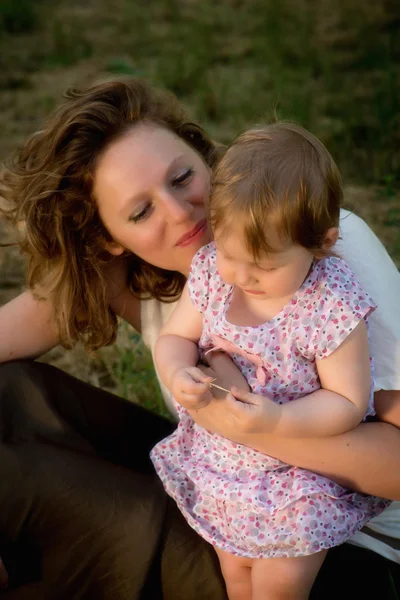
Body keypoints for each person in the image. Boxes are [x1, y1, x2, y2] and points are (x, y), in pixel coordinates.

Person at [0, 78, 399, 599]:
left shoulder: (325, 251)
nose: (180, 213)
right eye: (140, 212)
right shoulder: (160, 277)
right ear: (108, 240)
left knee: (15, 479)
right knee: (12, 395)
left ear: (207, 159)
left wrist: (234, 416)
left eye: (183, 176)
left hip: (338, 553)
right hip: (224, 502)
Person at [151, 123, 391, 599]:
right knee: (235, 569)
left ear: (321, 243)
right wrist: (178, 371)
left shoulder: (330, 304)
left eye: (265, 266)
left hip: (301, 473)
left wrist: (280, 418)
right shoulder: (214, 275)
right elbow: (176, 336)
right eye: (230, 254)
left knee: (280, 583)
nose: (241, 276)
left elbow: (347, 400)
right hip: (226, 462)